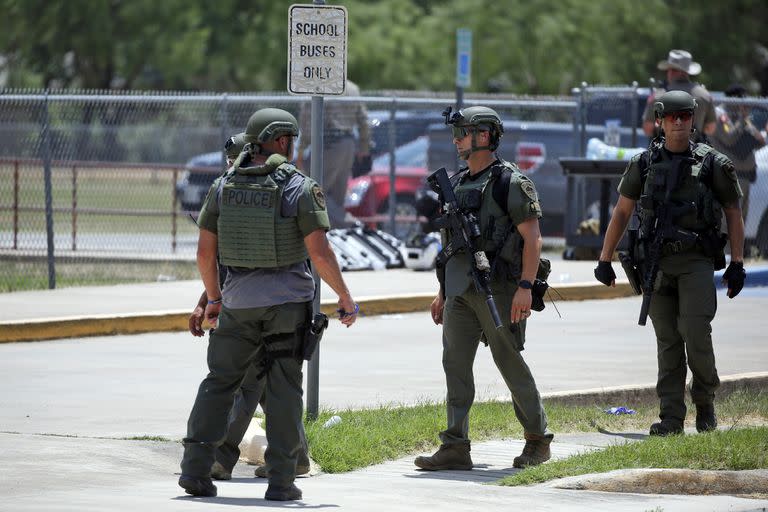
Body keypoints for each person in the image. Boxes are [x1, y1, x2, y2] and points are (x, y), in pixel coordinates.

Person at [179, 108, 358, 501]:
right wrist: (344, 297)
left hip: (237, 305)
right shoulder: (298, 186)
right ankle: (281, 481)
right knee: (283, 389)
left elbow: (205, 254)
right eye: (290, 140)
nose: (293, 147)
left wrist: (213, 299)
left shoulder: (223, 185)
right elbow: (321, 253)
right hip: (287, 307)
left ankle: (195, 470)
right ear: (280, 140)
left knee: (219, 383)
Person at [595, 91, 746, 436]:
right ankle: (671, 417)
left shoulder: (713, 164)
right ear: (660, 120)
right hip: (656, 263)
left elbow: (733, 213)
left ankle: (705, 401)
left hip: (695, 260)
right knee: (667, 340)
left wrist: (737, 262)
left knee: (695, 332)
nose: (679, 122)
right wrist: (605, 259)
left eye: (685, 116)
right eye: (672, 116)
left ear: (693, 119)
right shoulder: (643, 164)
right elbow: (622, 211)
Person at [414, 106, 553, 472]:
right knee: (455, 365)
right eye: (457, 133)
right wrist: (443, 293)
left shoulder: (511, 182)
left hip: (502, 289)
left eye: (463, 132)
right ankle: (455, 446)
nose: (456, 139)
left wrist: (525, 286)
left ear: (485, 136)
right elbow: (449, 248)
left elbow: (533, 239)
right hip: (460, 290)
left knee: (508, 360)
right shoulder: (456, 183)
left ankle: (538, 440)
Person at [187, 132, 311, 483]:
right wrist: (204, 303)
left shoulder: (270, 195)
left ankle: (219, 458)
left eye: (235, 158)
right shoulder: (231, 192)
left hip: (265, 308)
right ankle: (296, 456)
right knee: (268, 389)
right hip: (240, 304)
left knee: (245, 385)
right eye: (228, 160)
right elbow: (222, 264)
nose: (230, 166)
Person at [297, 79, 371, 228]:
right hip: (348, 144)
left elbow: (307, 121)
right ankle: (336, 234)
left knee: (313, 191)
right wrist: (364, 148)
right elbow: (364, 121)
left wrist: (301, 148)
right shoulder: (352, 88)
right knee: (336, 197)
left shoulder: (317, 84)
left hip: (327, 144)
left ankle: (348, 223)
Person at [709, 83, 767, 222]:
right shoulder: (721, 115)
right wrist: (742, 119)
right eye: (742, 100)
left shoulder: (740, 117)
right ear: (734, 99)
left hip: (745, 177)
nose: (745, 104)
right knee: (730, 223)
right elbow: (729, 139)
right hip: (729, 176)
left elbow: (758, 141)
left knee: (741, 221)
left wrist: (746, 121)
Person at [642, 49, 716, 143]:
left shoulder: (658, 96)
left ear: (671, 71)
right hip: (695, 153)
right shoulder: (705, 95)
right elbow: (710, 128)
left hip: (664, 153)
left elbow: (647, 128)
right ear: (687, 71)